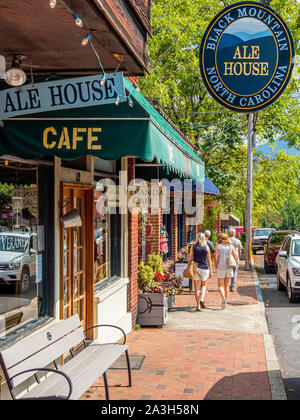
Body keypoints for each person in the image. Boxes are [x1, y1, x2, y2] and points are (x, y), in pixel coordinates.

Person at [188, 233, 213, 312]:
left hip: (196, 268)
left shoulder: (193, 246)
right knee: (203, 285)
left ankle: (198, 305)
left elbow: (190, 257)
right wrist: (211, 271)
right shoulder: (207, 247)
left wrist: (189, 265)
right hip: (205, 268)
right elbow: (209, 260)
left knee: (196, 289)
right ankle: (201, 298)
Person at [214, 233, 238, 309]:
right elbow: (236, 256)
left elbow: (216, 257)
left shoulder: (218, 246)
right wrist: (233, 261)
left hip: (220, 267)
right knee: (226, 286)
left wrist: (215, 264)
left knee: (220, 286)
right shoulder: (230, 246)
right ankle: (225, 302)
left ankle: (223, 297)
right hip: (229, 267)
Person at [228, 227, 243, 292]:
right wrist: (238, 257)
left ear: (229, 233)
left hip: (228, 258)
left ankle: (228, 284)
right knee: (234, 272)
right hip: (235, 258)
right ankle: (232, 285)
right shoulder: (237, 241)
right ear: (235, 234)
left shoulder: (227, 241)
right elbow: (240, 250)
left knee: (228, 271)